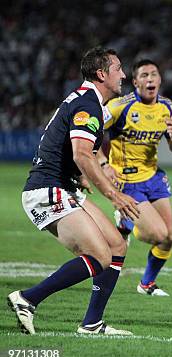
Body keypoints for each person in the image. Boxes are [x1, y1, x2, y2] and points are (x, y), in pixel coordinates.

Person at [8, 46, 140, 335]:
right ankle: (28, 299)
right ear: (101, 73)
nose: (124, 74)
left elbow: (73, 150)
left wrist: (81, 176)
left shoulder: (89, 102)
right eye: (118, 68)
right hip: (47, 190)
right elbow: (82, 154)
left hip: (62, 186)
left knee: (117, 245)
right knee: (100, 256)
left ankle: (92, 323)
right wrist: (114, 196)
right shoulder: (87, 104)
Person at [98, 59, 172, 297]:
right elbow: (89, 133)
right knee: (158, 235)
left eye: (154, 74)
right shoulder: (119, 106)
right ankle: (126, 222)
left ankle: (146, 284)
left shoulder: (166, 106)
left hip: (154, 177)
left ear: (159, 80)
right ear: (135, 82)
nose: (150, 79)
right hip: (127, 180)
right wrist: (104, 164)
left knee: (169, 238)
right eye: (144, 75)